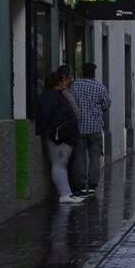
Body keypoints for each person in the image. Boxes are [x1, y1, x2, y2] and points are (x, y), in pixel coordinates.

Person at [37, 70, 83, 204]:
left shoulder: (57, 94)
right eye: (67, 80)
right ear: (60, 80)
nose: (69, 83)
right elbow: (46, 116)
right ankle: (65, 194)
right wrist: (50, 132)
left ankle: (67, 193)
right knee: (59, 164)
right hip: (59, 136)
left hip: (64, 135)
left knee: (62, 164)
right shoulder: (51, 96)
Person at [70, 63, 111, 194]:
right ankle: (92, 184)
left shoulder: (75, 86)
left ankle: (81, 184)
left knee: (80, 156)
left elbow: (70, 103)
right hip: (95, 128)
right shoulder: (100, 87)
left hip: (79, 127)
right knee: (95, 157)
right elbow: (106, 105)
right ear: (94, 73)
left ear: (82, 72)